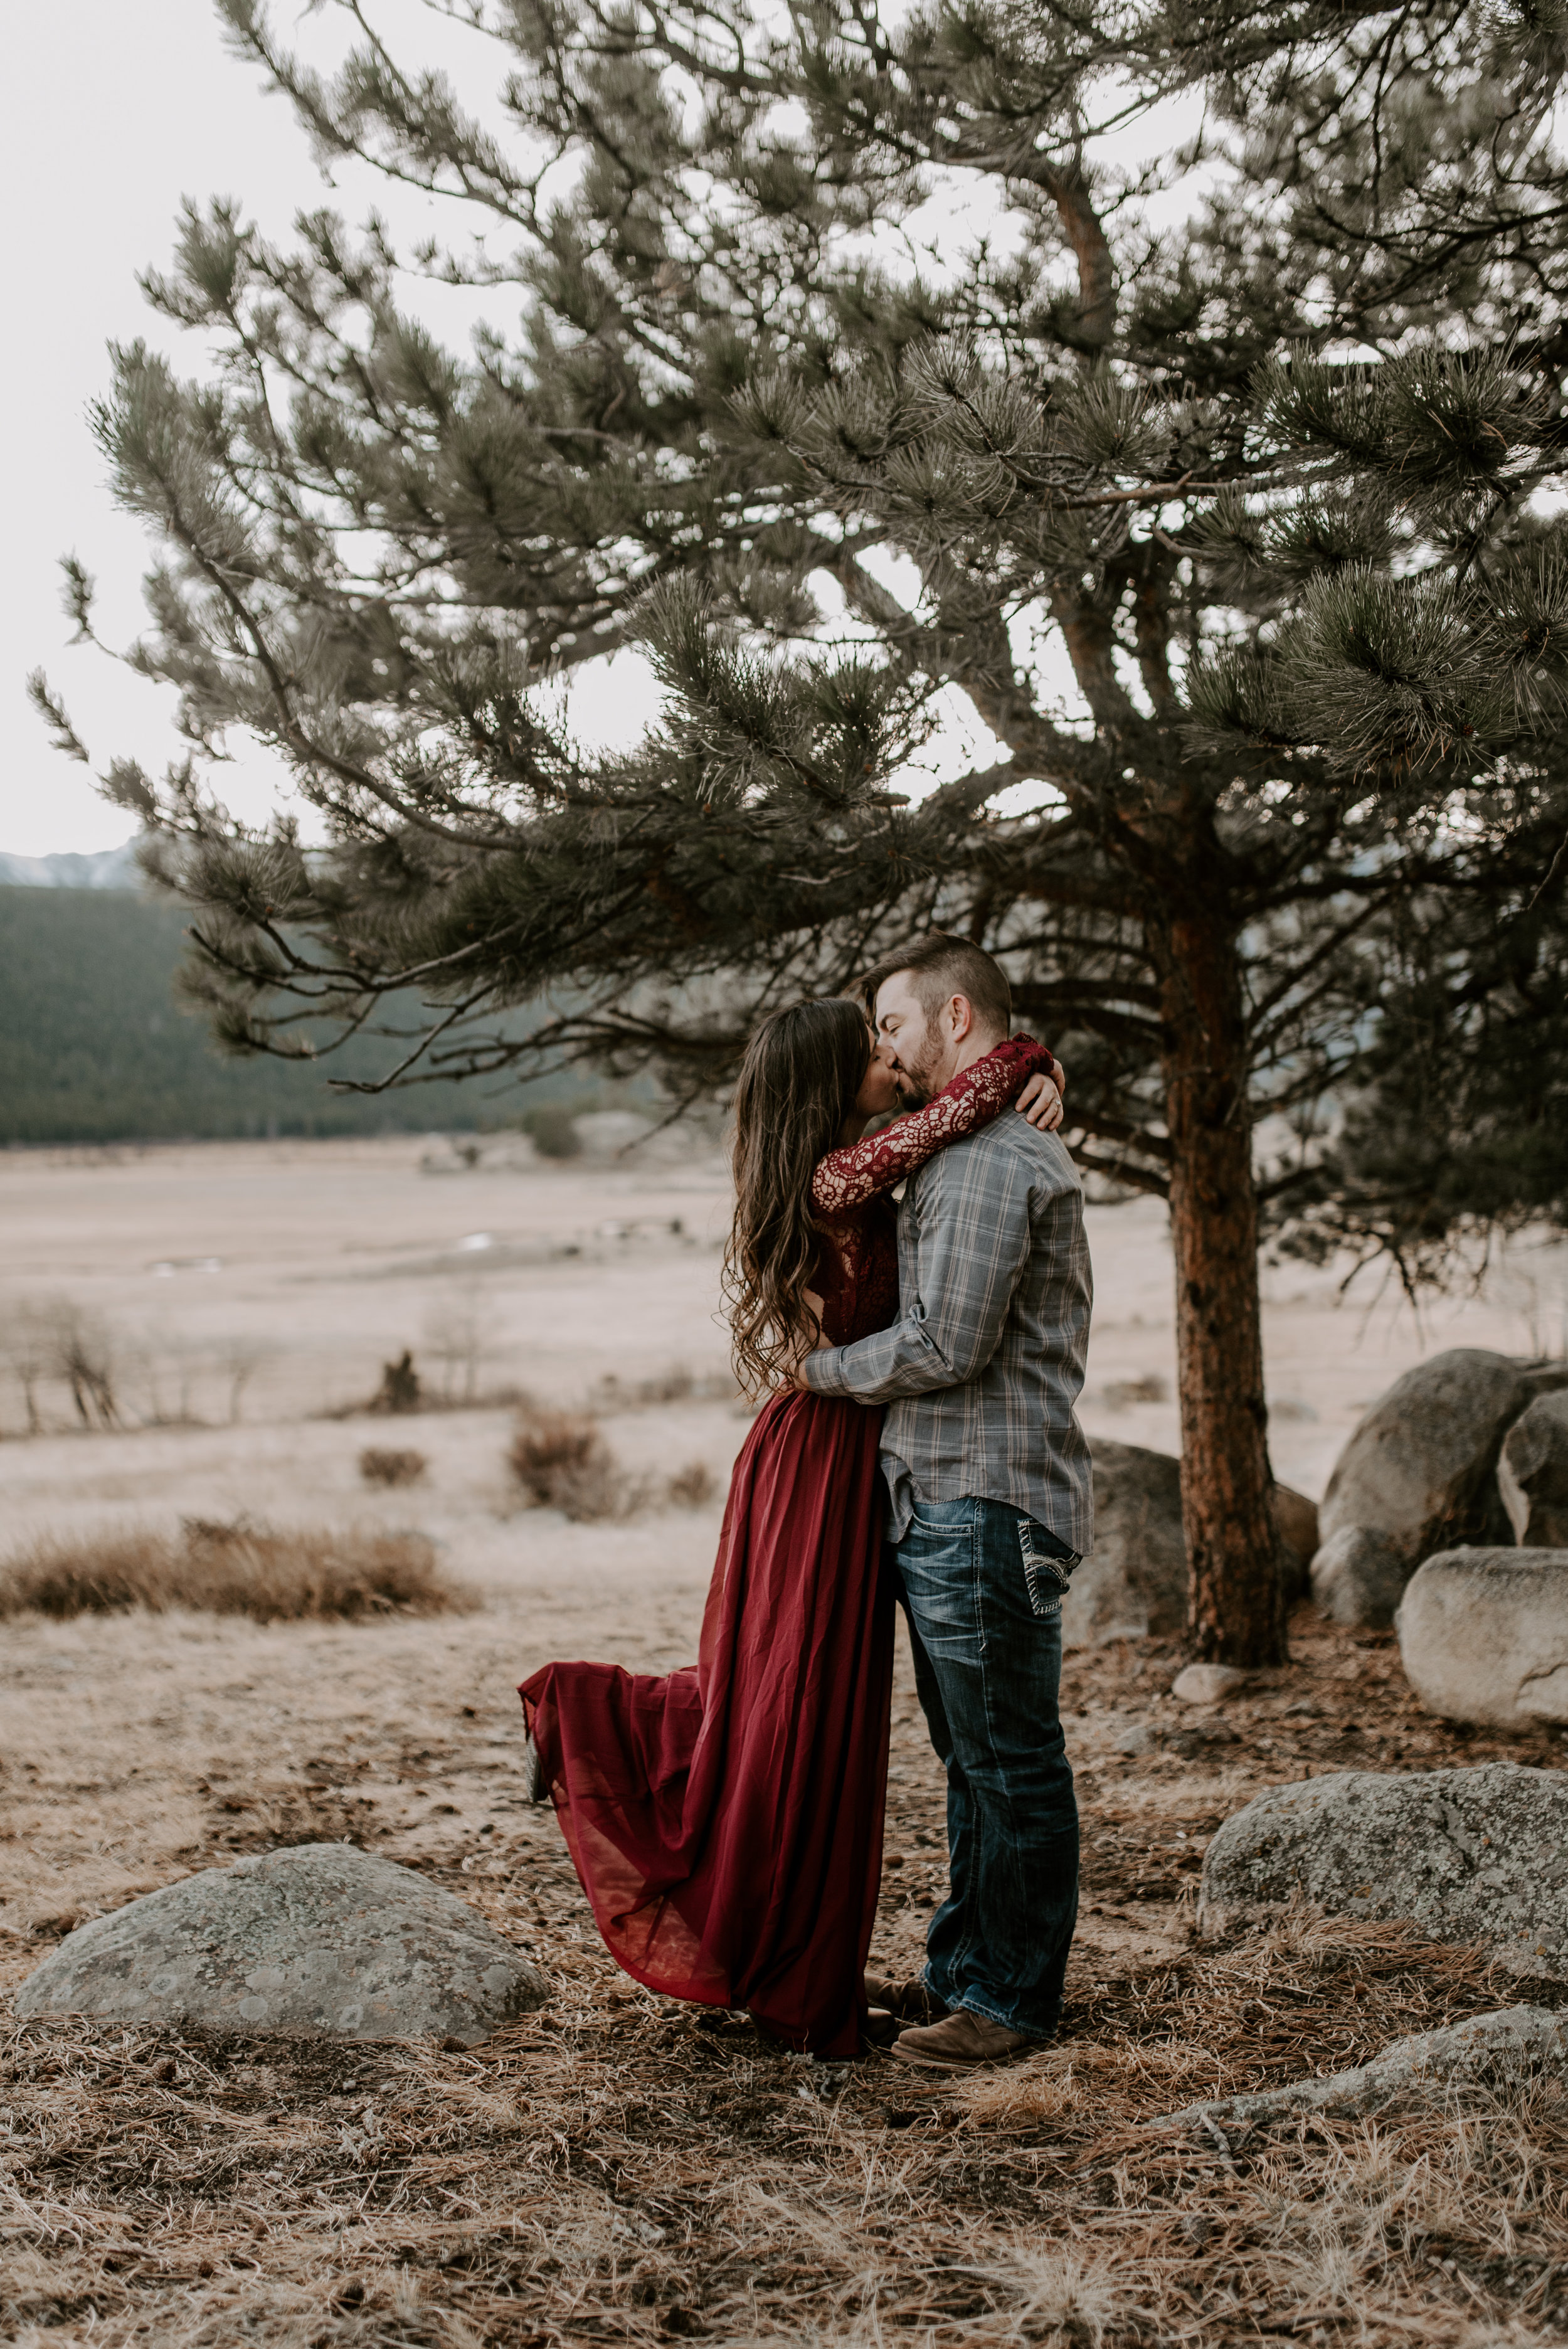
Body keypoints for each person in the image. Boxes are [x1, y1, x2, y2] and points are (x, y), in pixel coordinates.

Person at [519, 996, 1063, 2057]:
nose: (891, 1061)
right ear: (826, 1082)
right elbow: (961, 1104)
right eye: (870, 1051)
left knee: (812, 1717)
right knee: (790, 1708)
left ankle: (801, 1961)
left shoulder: (840, 1164)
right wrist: (1033, 1056)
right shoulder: (834, 1174)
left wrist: (1037, 1065)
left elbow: (954, 1109)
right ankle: (588, 1718)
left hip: (837, 1453)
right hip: (817, 1459)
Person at [797, 935, 1093, 2074]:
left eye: (894, 1023)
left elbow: (945, 1342)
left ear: (955, 1017)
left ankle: (1011, 2001)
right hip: (949, 1500)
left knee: (1010, 1758)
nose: (885, 1048)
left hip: (985, 1500)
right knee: (974, 1759)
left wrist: (814, 1376)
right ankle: (965, 1972)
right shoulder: (959, 1147)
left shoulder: (982, 1164)